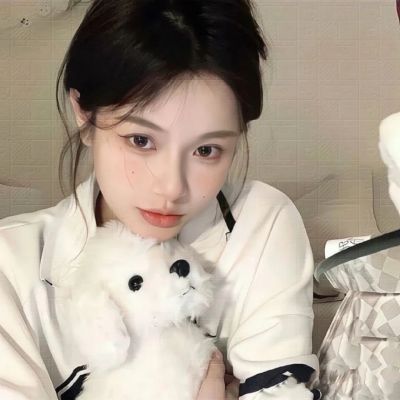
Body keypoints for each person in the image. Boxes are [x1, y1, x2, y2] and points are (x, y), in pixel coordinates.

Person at [0, 0, 320, 399]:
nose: (172, 188)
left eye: (206, 150)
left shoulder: (261, 224)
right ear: (84, 113)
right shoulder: (10, 266)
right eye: (141, 140)